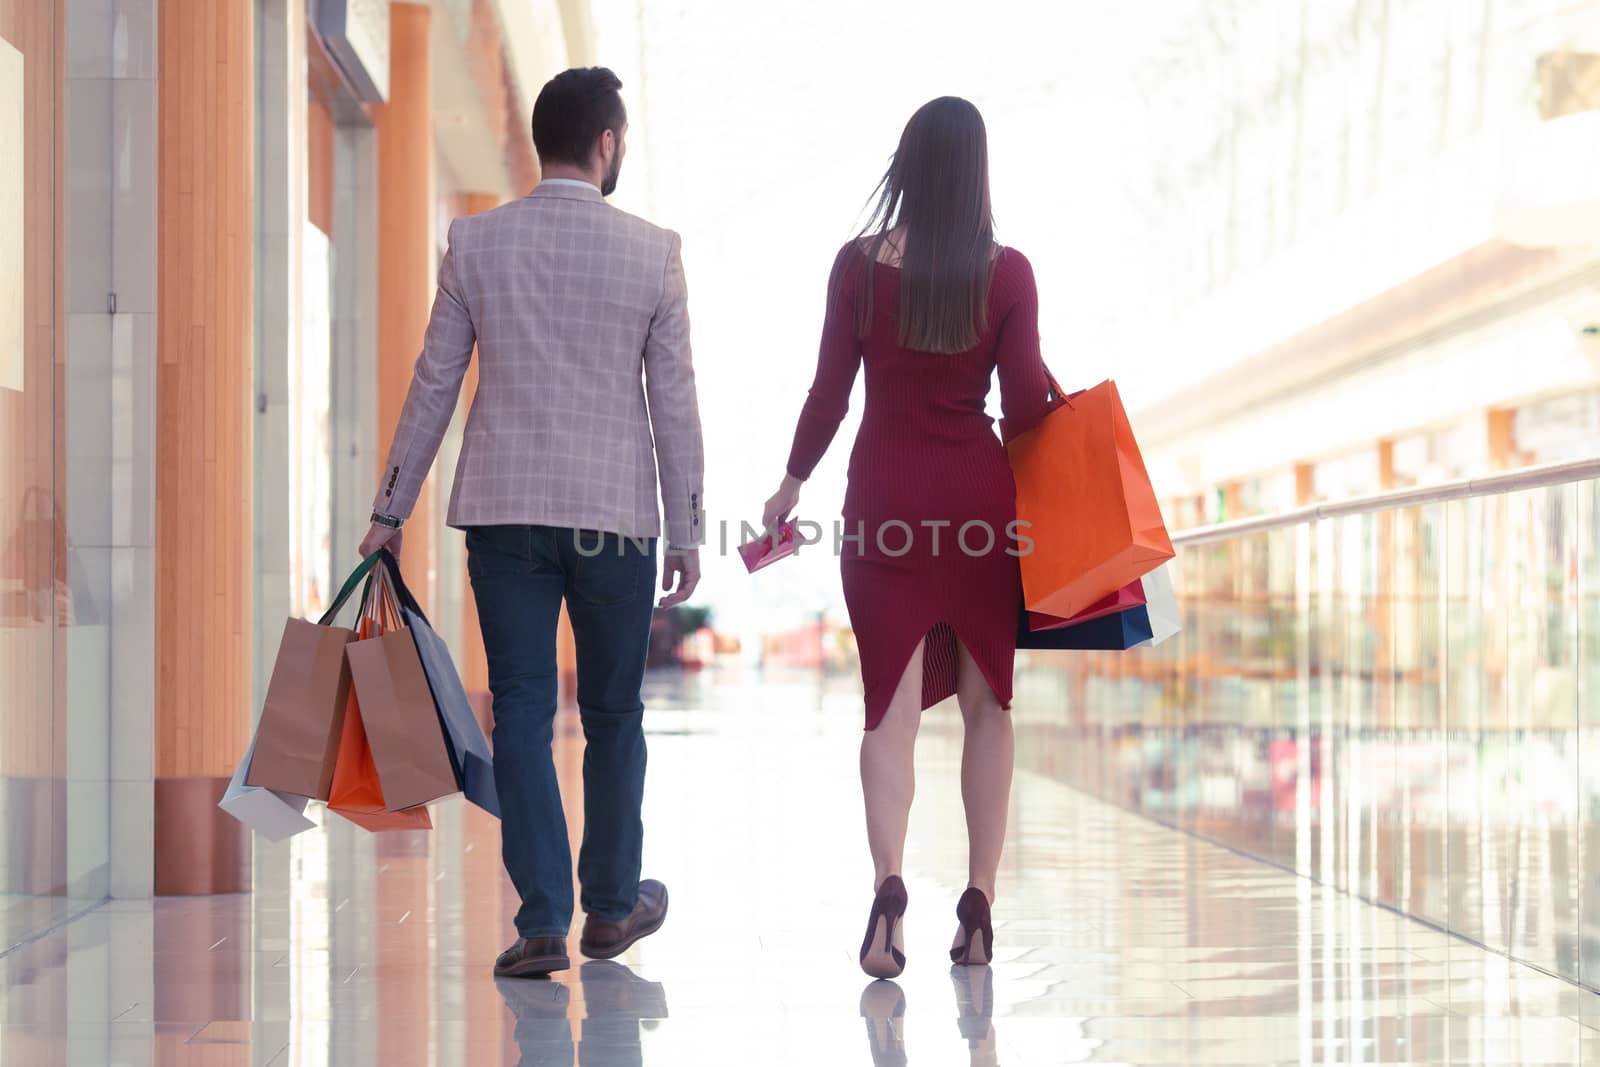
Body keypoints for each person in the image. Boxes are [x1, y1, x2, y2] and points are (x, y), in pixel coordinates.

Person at [359, 66, 705, 979]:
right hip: (615, 522)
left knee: (520, 706)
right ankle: (613, 905)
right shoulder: (652, 251)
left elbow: (435, 381)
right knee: (612, 711)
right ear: (606, 143)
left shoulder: (476, 242)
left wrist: (390, 508)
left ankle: (544, 916)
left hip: (506, 517)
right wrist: (689, 528)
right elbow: (674, 401)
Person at [763, 96, 1051, 979]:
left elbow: (828, 393)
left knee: (885, 705)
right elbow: (1030, 403)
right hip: (977, 508)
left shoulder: (856, 268)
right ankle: (977, 905)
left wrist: (790, 483)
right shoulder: (1008, 275)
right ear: (977, 172)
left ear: (907, 163)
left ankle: (888, 895)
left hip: (882, 501)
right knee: (987, 706)